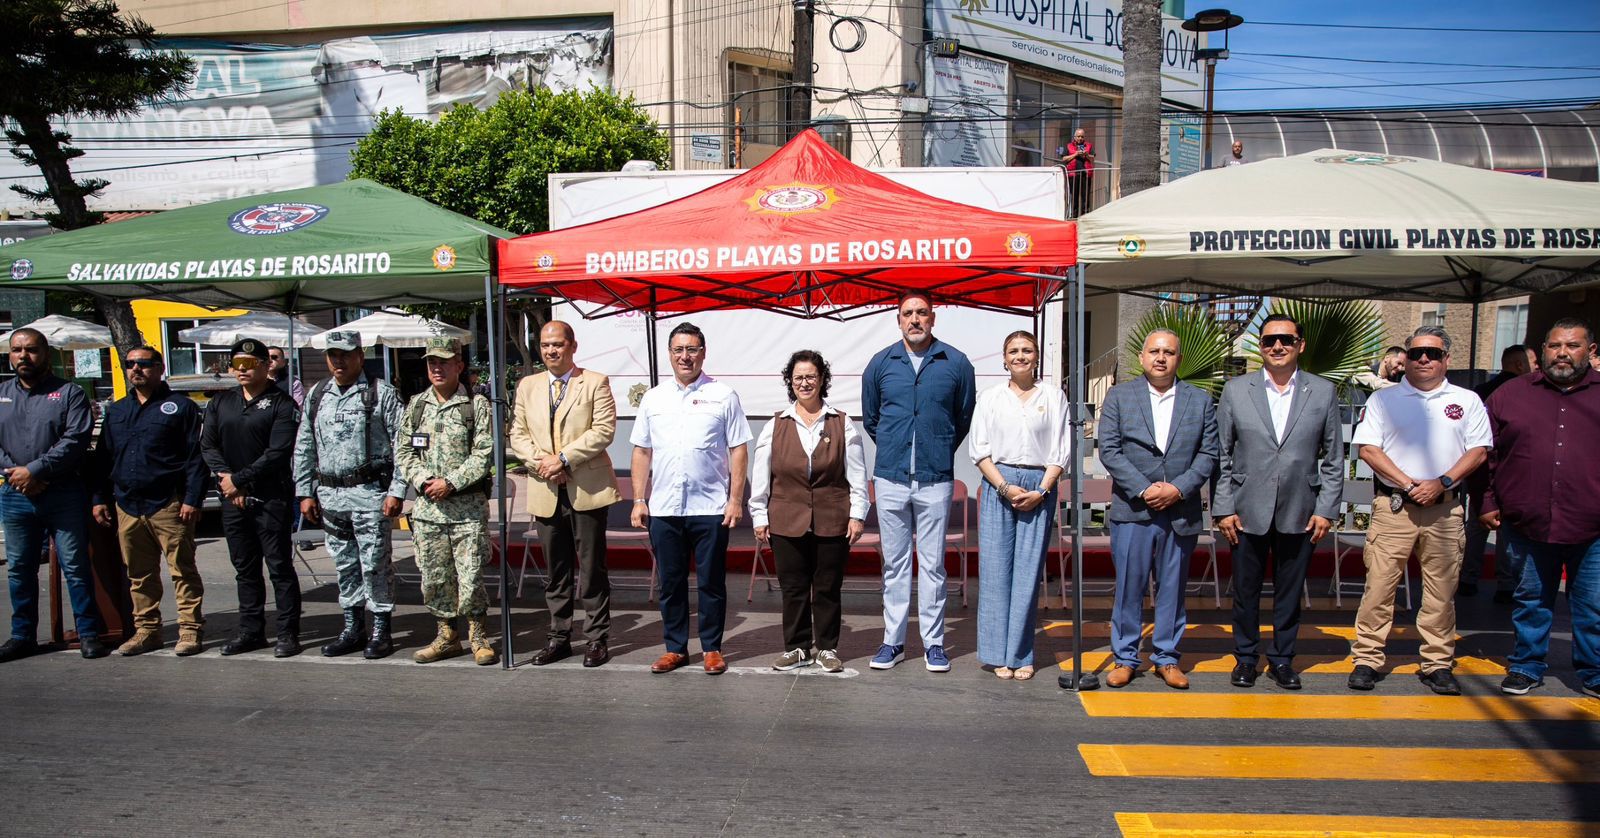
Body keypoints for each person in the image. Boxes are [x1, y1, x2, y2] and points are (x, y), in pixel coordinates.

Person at [1347, 326, 1491, 695]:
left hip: (1445, 509)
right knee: (1379, 586)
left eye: (1432, 353)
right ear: (1404, 358)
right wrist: (1411, 483)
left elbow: (1477, 451)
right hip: (1394, 506)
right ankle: (1367, 658)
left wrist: (1441, 482)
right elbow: (1368, 449)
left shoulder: (1468, 400)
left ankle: (1437, 663)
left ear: (1446, 359)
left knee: (1441, 592)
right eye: (1415, 353)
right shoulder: (1384, 400)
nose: (1423, 358)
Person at [1213, 315, 1344, 690]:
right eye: (1270, 341)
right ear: (1261, 346)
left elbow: (1334, 457)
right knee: (1245, 591)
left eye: (1286, 339)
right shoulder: (1237, 390)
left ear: (1300, 344)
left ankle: (1283, 659)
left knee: (1290, 591)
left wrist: (1326, 509)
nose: (1277, 347)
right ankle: (1246, 658)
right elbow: (1221, 453)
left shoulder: (1322, 391)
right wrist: (1223, 508)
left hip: (1301, 509)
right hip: (1246, 507)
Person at [1481, 319, 1600, 698]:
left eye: (1573, 346)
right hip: (1526, 520)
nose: (1563, 353)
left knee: (1593, 606)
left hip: (1593, 523)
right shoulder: (1509, 394)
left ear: (1590, 351)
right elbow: (1486, 454)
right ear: (1542, 350)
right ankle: (1526, 665)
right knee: (1530, 600)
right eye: (1554, 346)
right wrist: (1486, 502)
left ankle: (1594, 672)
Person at [862, 292, 976, 672]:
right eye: (907, 314)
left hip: (935, 478)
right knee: (894, 566)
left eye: (921, 313)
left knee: (932, 566)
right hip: (891, 477)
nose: (915, 319)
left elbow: (961, 418)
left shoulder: (956, 363)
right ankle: (892, 642)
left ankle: (934, 644)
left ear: (933, 318)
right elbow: (872, 419)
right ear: (898, 320)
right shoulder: (880, 364)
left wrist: (935, 446)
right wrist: (899, 445)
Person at [1097, 329, 1218, 689]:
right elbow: (1110, 450)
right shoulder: (1120, 396)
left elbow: (1209, 453)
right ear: (1142, 357)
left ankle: (1166, 657)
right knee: (1129, 588)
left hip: (1180, 511)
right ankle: (1125, 657)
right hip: (1134, 509)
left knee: (1172, 588)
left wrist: (1178, 488)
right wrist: (1146, 488)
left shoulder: (1200, 400)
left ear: (1179, 358)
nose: (1161, 358)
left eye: (1168, 352)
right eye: (1154, 351)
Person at [630, 322, 752, 675]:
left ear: (703, 353)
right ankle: (675, 648)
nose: (686, 356)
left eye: (692, 349)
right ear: (670, 354)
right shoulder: (654, 398)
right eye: (679, 350)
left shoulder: (724, 395)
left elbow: (739, 449)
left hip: (710, 507)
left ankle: (712, 648)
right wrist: (639, 499)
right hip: (665, 508)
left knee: (712, 582)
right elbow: (641, 451)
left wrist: (735, 499)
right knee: (670, 583)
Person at [509, 320, 620, 668]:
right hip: (546, 489)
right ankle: (559, 637)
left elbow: (603, 430)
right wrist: (543, 463)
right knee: (555, 572)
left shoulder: (595, 382)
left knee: (591, 569)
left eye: (557, 344)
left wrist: (563, 459)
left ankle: (596, 638)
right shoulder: (528, 385)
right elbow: (518, 433)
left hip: (585, 487)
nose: (550, 351)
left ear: (573, 346)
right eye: (544, 345)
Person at [750, 349, 868, 674]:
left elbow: (857, 475)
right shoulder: (775, 424)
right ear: (790, 382)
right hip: (786, 519)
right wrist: (759, 515)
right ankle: (798, 648)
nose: (805, 383)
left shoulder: (843, 424)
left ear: (822, 380)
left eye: (811, 377)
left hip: (833, 518)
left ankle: (827, 648)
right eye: (798, 377)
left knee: (828, 586)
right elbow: (761, 476)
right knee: (794, 588)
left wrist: (857, 515)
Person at [293, 331, 406, 659]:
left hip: (369, 494)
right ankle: (352, 627)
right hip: (330, 495)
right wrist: (304, 491)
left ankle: (381, 629)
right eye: (332, 355)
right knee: (344, 565)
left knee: (374, 564)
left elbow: (403, 445)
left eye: (344, 354)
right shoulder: (317, 395)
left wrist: (397, 490)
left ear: (360, 354)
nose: (337, 361)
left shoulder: (379, 393)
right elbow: (305, 446)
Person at [92, 346, 208, 657]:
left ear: (159, 368)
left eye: (144, 364)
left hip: (169, 503)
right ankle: (147, 631)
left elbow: (195, 458)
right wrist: (99, 498)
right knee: (139, 574)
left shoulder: (180, 407)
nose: (136, 369)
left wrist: (192, 499)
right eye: (130, 364)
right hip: (127, 503)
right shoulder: (116, 411)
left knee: (182, 570)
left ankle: (189, 631)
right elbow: (104, 459)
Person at [0, 328, 107, 662]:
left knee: (75, 566)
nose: (23, 356)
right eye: (17, 350)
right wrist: (17, 475)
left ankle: (89, 633)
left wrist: (35, 471)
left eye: (31, 350)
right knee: (19, 568)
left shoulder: (69, 393)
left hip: (62, 493)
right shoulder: (1, 393)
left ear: (45, 353)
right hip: (15, 494)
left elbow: (75, 440)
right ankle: (22, 636)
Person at [969, 331, 1067, 681]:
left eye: (1027, 350)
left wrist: (1041, 490)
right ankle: (998, 654)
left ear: (1037, 356)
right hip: (999, 483)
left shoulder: (1054, 396)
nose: (1021, 356)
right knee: (996, 571)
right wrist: (1006, 487)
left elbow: (1060, 451)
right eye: (1014, 351)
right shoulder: (991, 397)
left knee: (1027, 574)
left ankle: (1022, 654)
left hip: (1039, 485)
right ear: (1004, 358)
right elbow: (979, 449)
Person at [396, 337, 496, 665]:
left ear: (459, 366)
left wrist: (450, 483)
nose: (437, 368)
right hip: (428, 510)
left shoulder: (476, 405)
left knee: (470, 575)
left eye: (444, 361)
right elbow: (403, 449)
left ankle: (478, 635)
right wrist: (425, 481)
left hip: (466, 509)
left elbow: (484, 452)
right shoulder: (417, 405)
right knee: (435, 576)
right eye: (431, 362)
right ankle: (446, 636)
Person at [201, 338, 303, 657]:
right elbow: (208, 446)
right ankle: (250, 630)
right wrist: (228, 481)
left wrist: (240, 481)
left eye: (248, 364)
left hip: (270, 497)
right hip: (232, 498)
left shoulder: (282, 403)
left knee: (279, 567)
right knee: (244, 568)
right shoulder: (221, 403)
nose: (241, 370)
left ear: (264, 365)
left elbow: (277, 452)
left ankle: (287, 633)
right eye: (236, 364)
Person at [1462, 343, 1537, 601]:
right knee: (1505, 531)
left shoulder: (1481, 391)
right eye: (1533, 362)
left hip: (1480, 470)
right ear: (1519, 364)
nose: (1535, 368)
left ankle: (1467, 578)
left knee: (1476, 526)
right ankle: (1505, 583)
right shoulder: (1527, 393)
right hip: (1508, 472)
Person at [1064, 127, 1095, 218]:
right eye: (1078, 136)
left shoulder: (1088, 146)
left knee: (1085, 196)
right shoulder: (1069, 146)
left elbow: (1092, 158)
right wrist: (1076, 154)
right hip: (1073, 174)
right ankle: (1074, 216)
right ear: (1074, 137)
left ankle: (1085, 215)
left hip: (1085, 174)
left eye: (1082, 136)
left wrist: (1086, 155)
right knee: (1074, 196)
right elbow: (1064, 158)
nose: (1080, 138)